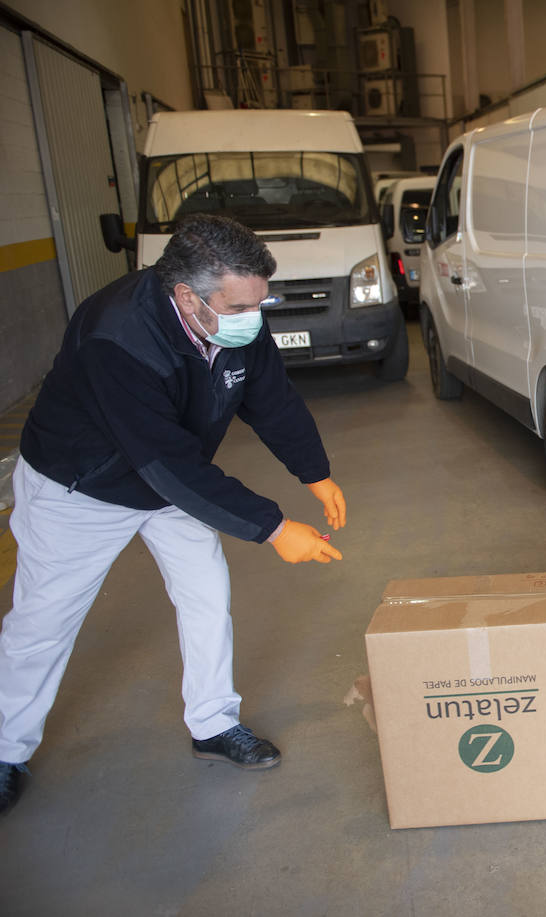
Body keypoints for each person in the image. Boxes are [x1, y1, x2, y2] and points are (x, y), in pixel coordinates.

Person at [0, 214, 346, 815]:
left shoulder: (232, 316)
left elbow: (270, 397)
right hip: (81, 487)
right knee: (44, 622)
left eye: (259, 303)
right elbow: (163, 462)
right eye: (241, 305)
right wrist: (274, 528)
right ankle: (5, 749)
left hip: (171, 477)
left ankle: (214, 723)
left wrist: (314, 472)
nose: (254, 317)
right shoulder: (119, 338)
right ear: (186, 295)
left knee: (206, 597)